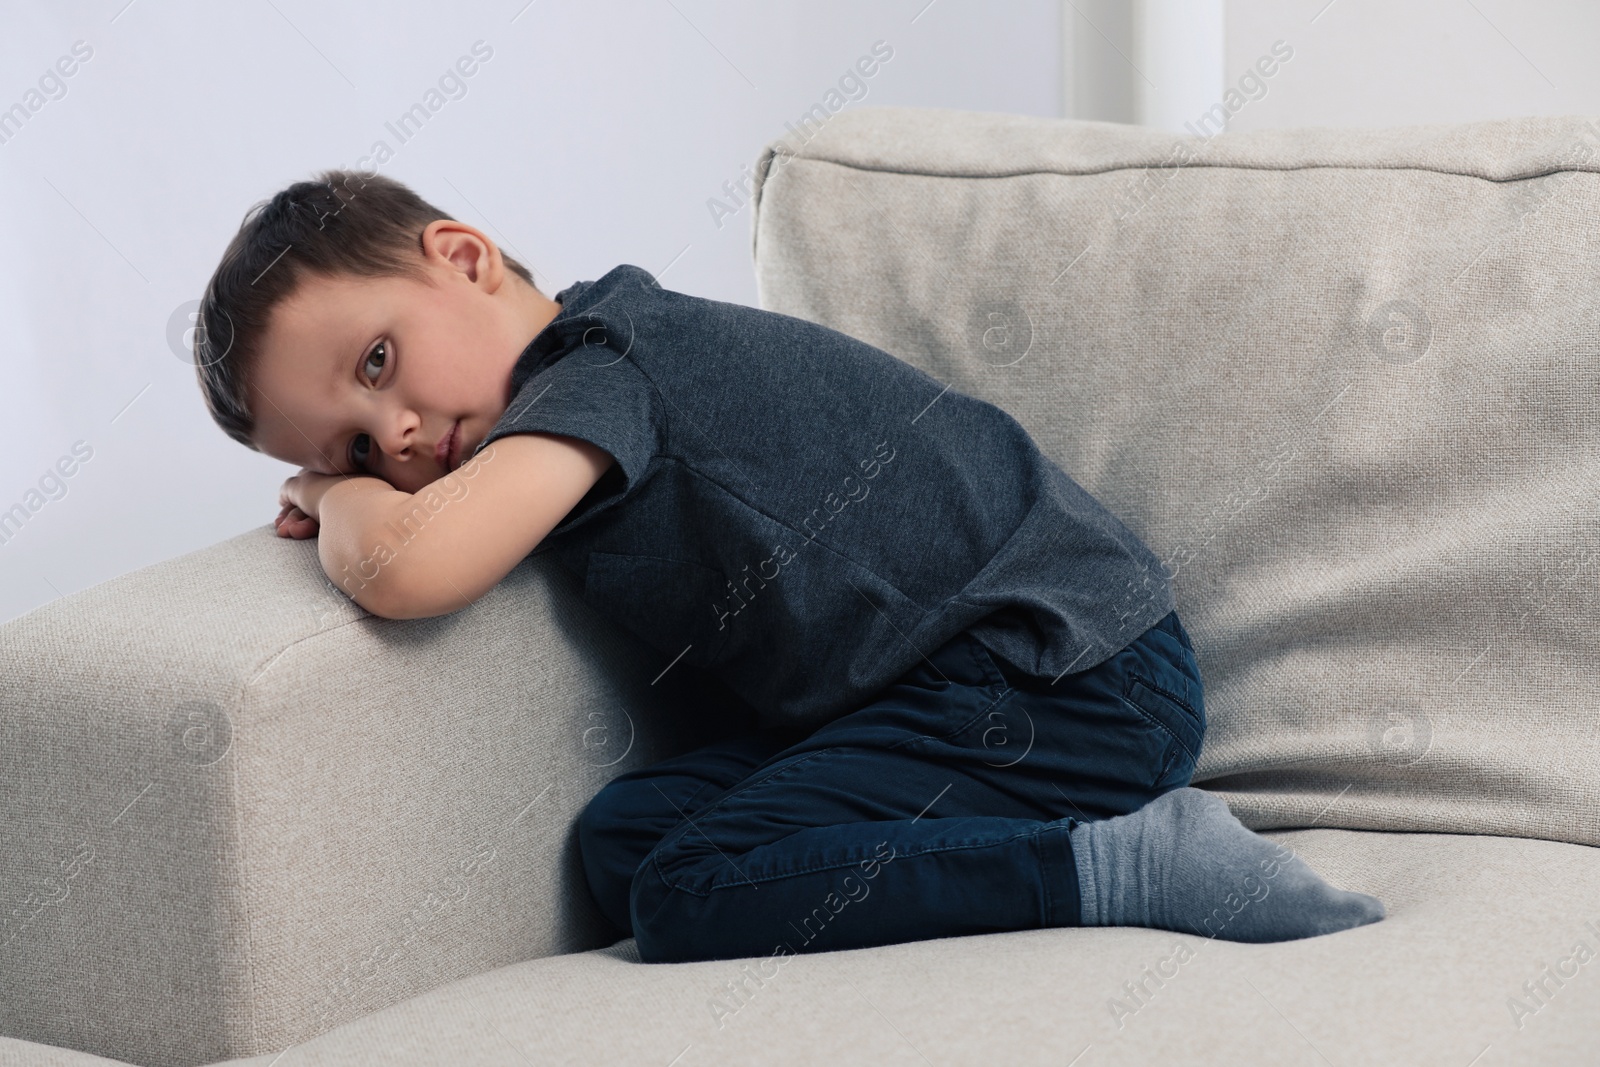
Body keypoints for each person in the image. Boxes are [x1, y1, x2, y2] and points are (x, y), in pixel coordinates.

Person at [193, 169, 1385, 964]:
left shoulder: (598, 371)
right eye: (352, 440)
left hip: (1063, 680)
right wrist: (353, 479)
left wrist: (335, 492)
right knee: (621, 844)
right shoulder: (582, 391)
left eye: (380, 360)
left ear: (461, 256)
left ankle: (1120, 861)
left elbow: (407, 565)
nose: (394, 434)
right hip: (944, 691)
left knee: (684, 891)